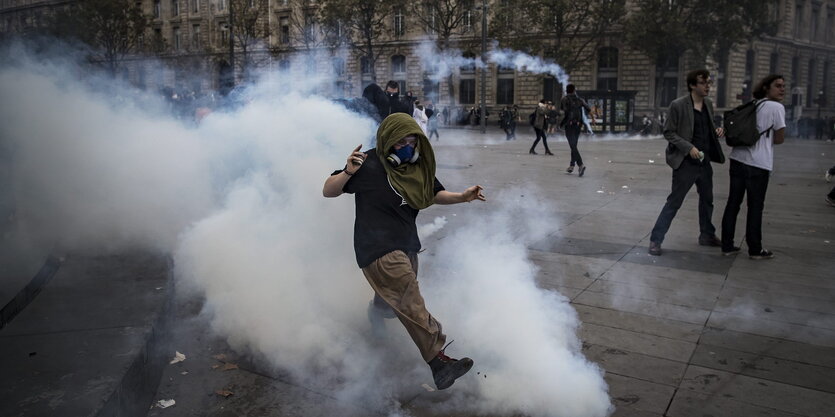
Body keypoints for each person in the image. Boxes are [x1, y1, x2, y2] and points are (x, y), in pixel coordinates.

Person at [322, 113, 486, 390]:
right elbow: (329, 190)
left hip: (406, 243)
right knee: (410, 298)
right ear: (387, 140)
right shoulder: (367, 164)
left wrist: (461, 197)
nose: (406, 146)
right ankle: (439, 362)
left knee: (392, 301)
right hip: (375, 247)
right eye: (399, 142)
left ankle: (376, 314)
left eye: (411, 140)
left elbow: (432, 194)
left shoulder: (417, 166)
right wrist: (348, 171)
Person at [648, 69, 726, 256]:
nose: (708, 86)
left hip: (704, 161)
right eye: (703, 82)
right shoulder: (678, 105)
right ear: (692, 85)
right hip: (685, 163)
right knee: (674, 201)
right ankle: (655, 240)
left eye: (709, 82)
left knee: (707, 200)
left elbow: (704, 127)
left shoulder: (707, 103)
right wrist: (688, 147)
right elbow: (669, 132)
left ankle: (707, 235)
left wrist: (716, 131)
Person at [720, 74, 786, 259]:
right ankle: (755, 249)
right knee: (755, 207)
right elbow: (780, 138)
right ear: (766, 87)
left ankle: (727, 246)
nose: (782, 89)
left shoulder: (754, 104)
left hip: (738, 159)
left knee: (733, 203)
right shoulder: (777, 107)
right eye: (778, 86)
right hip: (758, 164)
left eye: (783, 86)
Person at [560, 84, 591, 175]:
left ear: (566, 90)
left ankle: (580, 165)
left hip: (569, 125)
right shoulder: (580, 99)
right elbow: (588, 109)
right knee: (574, 145)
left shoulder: (564, 99)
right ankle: (572, 165)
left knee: (573, 146)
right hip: (578, 125)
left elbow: (564, 111)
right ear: (574, 90)